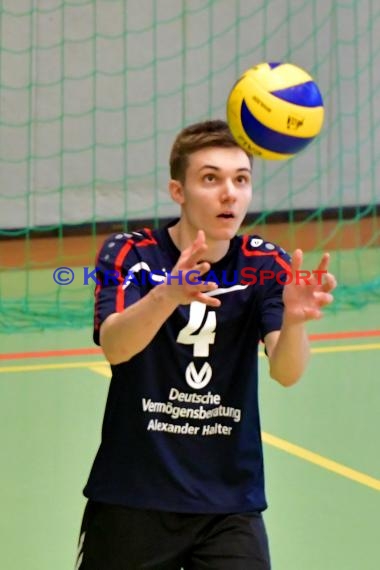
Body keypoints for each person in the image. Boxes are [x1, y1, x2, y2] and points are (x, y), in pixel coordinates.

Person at [75, 120, 336, 570]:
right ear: (178, 191)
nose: (229, 193)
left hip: (228, 502)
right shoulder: (130, 254)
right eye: (210, 178)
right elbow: (116, 347)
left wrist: (294, 323)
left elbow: (287, 372)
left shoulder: (264, 262)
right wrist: (167, 294)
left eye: (241, 179)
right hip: (134, 494)